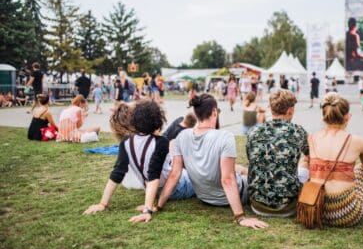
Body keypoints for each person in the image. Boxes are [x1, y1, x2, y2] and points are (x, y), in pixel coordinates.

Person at [156, 94, 268, 229]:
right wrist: (240, 217)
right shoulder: (225, 136)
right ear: (215, 112)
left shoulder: (182, 136)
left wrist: (158, 206)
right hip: (230, 196)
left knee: (241, 170)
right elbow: (227, 179)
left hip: (204, 197)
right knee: (258, 176)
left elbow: (175, 175)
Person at [83, 99, 170, 221]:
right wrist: (147, 210)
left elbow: (118, 172)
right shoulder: (161, 142)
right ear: (159, 120)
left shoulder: (127, 141)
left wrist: (102, 203)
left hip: (152, 190)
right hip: (171, 189)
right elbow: (154, 177)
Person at [301, 92, 363, 227]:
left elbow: (307, 162)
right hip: (346, 213)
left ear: (324, 117)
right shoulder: (358, 141)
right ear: (347, 117)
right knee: (360, 171)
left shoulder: (311, 138)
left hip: (316, 207)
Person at [246, 89, 309, 217]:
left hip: (258, 205)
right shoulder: (298, 131)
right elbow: (312, 157)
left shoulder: (253, 131)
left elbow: (251, 159)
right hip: (289, 206)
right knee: (306, 164)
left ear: (271, 108)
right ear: (290, 110)